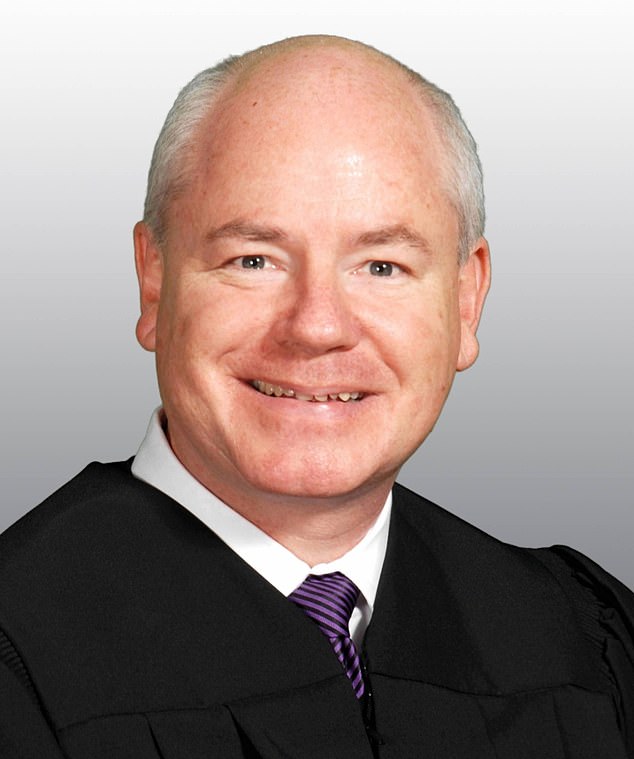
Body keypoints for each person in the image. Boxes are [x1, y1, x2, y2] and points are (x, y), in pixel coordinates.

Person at [0, 34, 632, 758]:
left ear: (466, 303)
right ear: (154, 280)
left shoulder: (578, 639)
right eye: (254, 259)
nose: (317, 327)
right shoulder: (22, 656)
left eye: (382, 266)